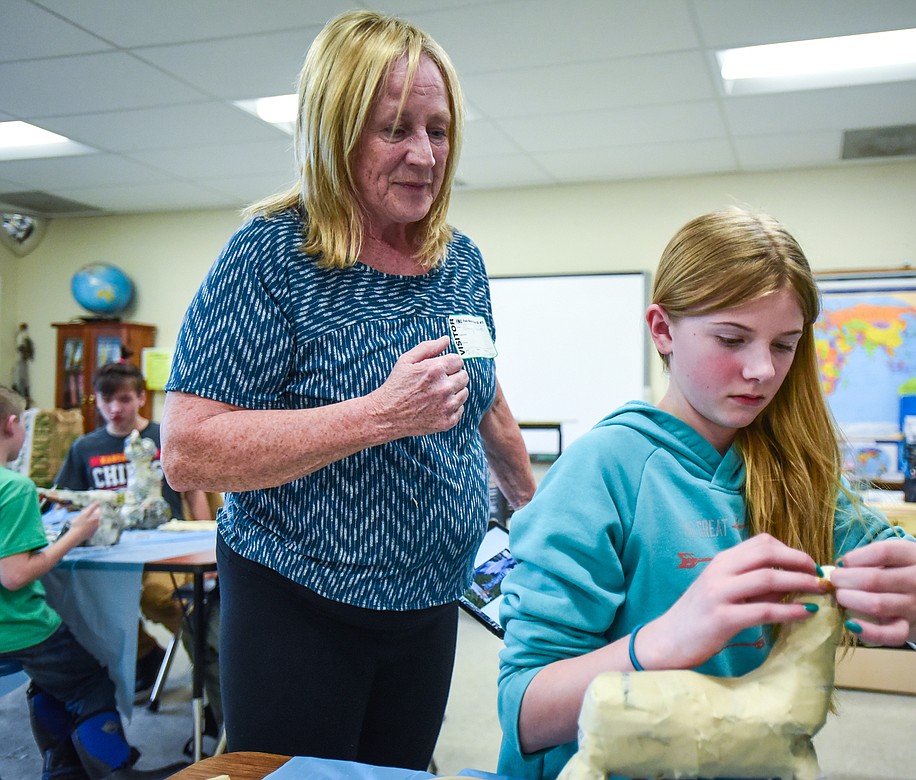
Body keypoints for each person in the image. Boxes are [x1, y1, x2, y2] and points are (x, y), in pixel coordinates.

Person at [495, 207, 916, 780]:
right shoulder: (602, 471)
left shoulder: (800, 474)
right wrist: (662, 641)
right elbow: (524, 713)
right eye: (732, 338)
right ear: (662, 330)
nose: (762, 369)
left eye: (785, 345)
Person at [160, 9, 536, 769]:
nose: (425, 155)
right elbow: (189, 452)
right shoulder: (270, 258)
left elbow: (485, 393)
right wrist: (377, 415)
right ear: (335, 131)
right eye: (394, 129)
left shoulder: (459, 261)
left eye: (438, 129)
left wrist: (533, 510)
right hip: (300, 604)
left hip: (432, 599)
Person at [0, 385, 185, 779]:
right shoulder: (13, 487)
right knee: (89, 683)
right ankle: (115, 770)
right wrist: (76, 534)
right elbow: (14, 575)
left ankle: (64, 768)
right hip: (17, 626)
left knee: (55, 681)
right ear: (13, 424)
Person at [53, 360, 218, 719]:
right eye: (106, 399)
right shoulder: (85, 447)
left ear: (141, 398)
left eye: (125, 399)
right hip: (109, 550)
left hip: (164, 546)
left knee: (169, 601)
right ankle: (147, 657)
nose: (115, 408)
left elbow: (194, 492)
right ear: (95, 399)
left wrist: (209, 547)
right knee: (82, 605)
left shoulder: (165, 436)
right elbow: (66, 502)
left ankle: (210, 682)